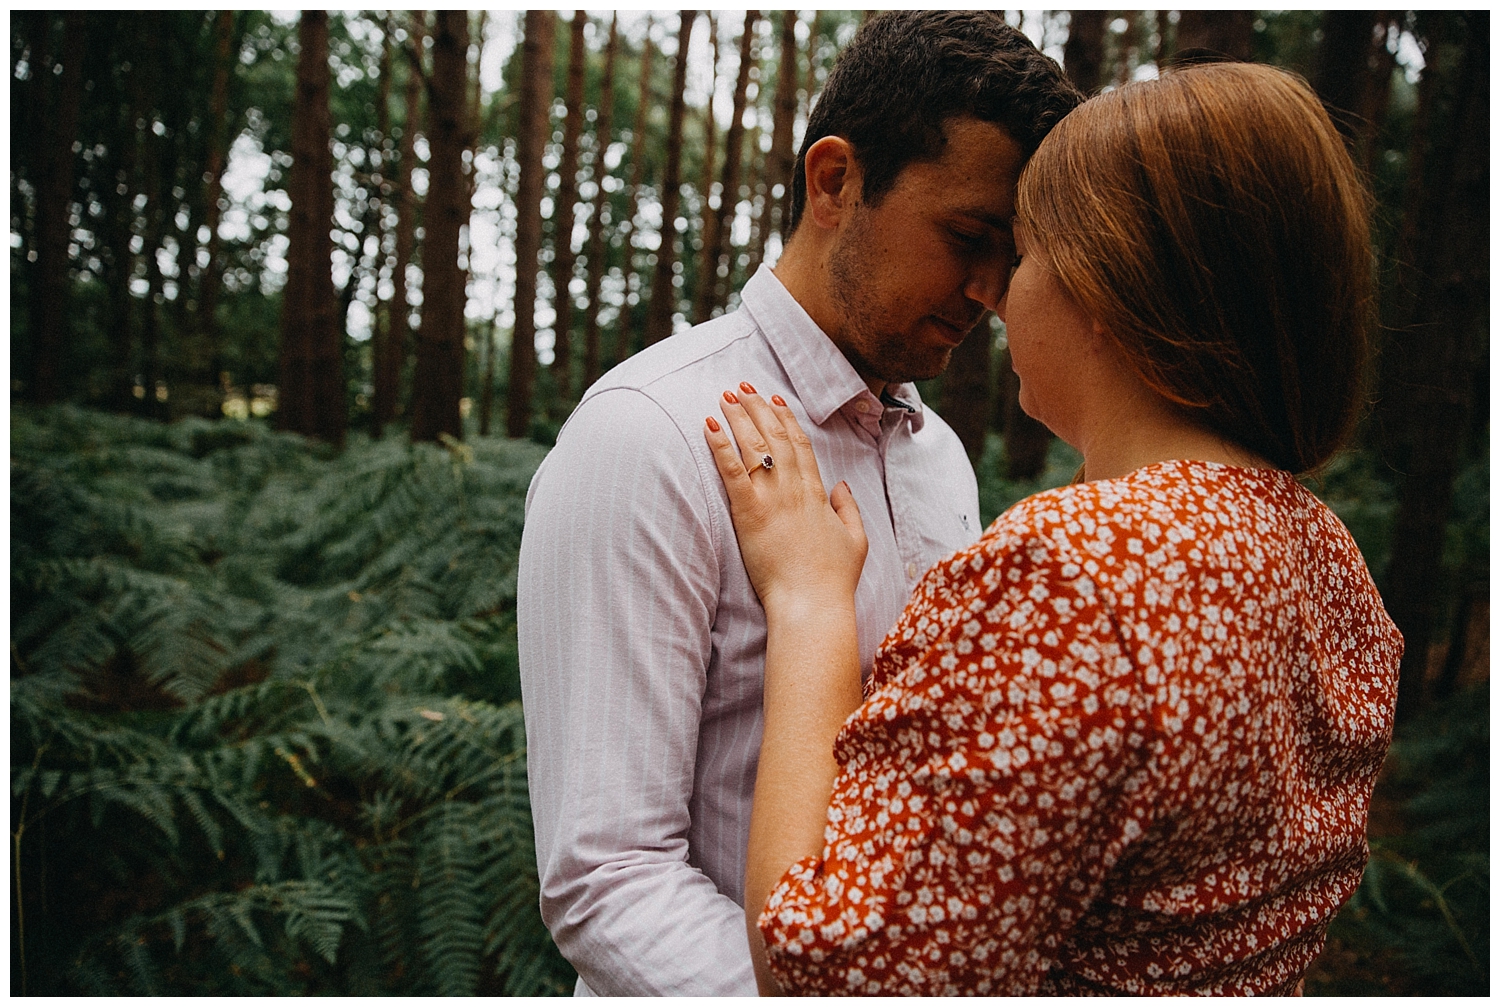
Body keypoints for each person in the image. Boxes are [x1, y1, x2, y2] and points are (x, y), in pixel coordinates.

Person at [703, 61, 1403, 995]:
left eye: (1023, 254)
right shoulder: (1327, 559)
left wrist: (809, 603)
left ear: (1113, 283)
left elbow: (826, 970)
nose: (993, 293)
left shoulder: (1071, 572)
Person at [516, 12, 1080, 996]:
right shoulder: (647, 433)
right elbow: (605, 876)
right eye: (969, 236)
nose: (991, 289)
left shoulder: (943, 460)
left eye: (1012, 255)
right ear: (834, 181)